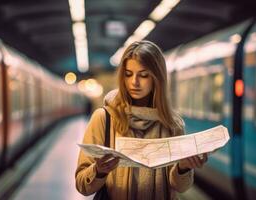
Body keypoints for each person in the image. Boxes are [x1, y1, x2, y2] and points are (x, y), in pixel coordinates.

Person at [75, 40, 208, 200]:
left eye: (144, 75)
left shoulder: (172, 124)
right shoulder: (104, 118)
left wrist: (183, 167)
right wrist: (99, 171)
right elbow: (82, 185)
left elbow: (179, 187)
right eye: (128, 74)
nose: (134, 82)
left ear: (157, 78)